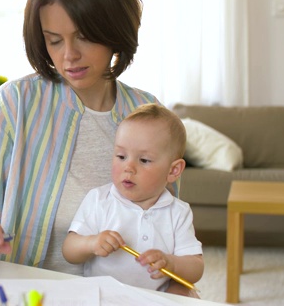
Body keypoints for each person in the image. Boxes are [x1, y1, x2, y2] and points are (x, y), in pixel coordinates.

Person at [0, 0, 173, 275]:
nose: (69, 56)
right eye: (54, 41)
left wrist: (177, 281)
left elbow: (170, 223)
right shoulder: (14, 103)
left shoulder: (147, 114)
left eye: (83, 36)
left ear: (114, 30)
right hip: (28, 290)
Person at [62, 103, 204, 297]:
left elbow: (196, 268)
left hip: (155, 300)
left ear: (173, 171)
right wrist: (92, 243)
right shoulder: (99, 200)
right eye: (121, 156)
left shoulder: (178, 212)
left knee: (188, 296)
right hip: (102, 298)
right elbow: (69, 250)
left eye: (144, 160)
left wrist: (171, 262)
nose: (128, 167)